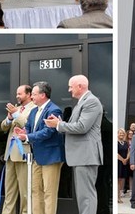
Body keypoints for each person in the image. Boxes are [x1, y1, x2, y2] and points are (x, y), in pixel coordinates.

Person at [44, 75, 103, 214]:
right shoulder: (83, 102)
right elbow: (75, 125)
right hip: (81, 156)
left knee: (86, 196)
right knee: (83, 196)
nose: (69, 90)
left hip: (86, 156)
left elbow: (82, 127)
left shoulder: (91, 102)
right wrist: (59, 123)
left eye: (71, 86)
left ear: (80, 86)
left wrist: (58, 124)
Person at [16, 81, 65, 214]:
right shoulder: (33, 111)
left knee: (49, 192)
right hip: (37, 156)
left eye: (34, 94)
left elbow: (48, 132)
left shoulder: (54, 110)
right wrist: (23, 132)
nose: (31, 97)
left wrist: (27, 137)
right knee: (35, 189)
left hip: (51, 157)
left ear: (43, 95)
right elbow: (28, 127)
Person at [1, 85, 35, 214]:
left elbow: (28, 125)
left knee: (25, 191)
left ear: (29, 94)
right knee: (9, 191)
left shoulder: (34, 108)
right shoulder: (17, 108)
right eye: (16, 94)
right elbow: (4, 127)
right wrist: (9, 118)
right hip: (10, 154)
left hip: (23, 155)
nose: (17, 96)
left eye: (20, 94)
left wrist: (16, 114)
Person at [117, 128, 130, 204]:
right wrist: (122, 160)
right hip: (118, 163)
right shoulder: (115, 142)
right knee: (117, 180)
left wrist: (126, 159)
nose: (121, 134)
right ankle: (117, 197)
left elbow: (129, 151)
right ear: (117, 134)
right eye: (120, 133)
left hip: (124, 163)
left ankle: (119, 196)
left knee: (121, 180)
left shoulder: (125, 143)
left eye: (123, 133)